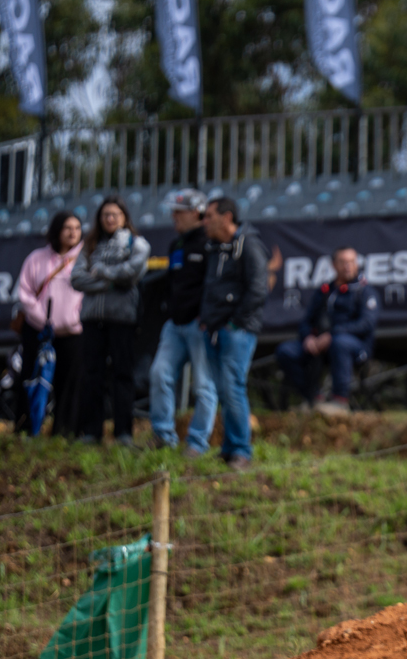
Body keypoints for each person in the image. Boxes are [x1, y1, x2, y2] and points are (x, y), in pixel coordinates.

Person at [69, 196, 151, 446]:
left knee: (122, 375)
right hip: (92, 319)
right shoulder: (90, 244)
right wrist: (112, 283)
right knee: (91, 375)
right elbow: (76, 279)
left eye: (115, 214)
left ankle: (123, 432)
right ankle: (91, 432)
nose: (110, 218)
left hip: (122, 319)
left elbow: (131, 274)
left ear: (124, 217)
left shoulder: (136, 243)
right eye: (105, 214)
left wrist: (102, 272)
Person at [200, 197, 269, 469]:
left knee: (233, 387)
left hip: (237, 331)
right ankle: (229, 448)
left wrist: (235, 323)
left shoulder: (249, 245)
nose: (204, 221)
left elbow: (259, 289)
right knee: (223, 390)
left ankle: (242, 450)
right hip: (214, 329)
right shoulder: (215, 248)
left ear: (227, 217)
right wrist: (207, 320)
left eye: (209, 216)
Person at [148, 189, 217, 456]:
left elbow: (214, 285)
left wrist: (206, 317)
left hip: (199, 326)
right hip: (174, 325)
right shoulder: (176, 245)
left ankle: (198, 443)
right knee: (159, 373)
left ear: (196, 213)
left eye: (179, 211)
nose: (173, 216)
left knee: (203, 385)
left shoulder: (209, 244)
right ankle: (163, 435)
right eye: (173, 211)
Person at [275, 246, 377, 416]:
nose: (348, 266)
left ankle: (340, 402)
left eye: (352, 262)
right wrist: (308, 337)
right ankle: (313, 399)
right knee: (286, 351)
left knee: (340, 343)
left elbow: (366, 324)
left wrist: (332, 334)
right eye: (343, 262)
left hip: (353, 346)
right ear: (333, 265)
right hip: (321, 344)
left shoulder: (365, 291)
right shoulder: (324, 291)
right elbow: (306, 321)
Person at [14, 212, 85, 437]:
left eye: (77, 228)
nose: (73, 232)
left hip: (72, 332)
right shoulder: (36, 258)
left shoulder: (85, 259)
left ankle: (63, 432)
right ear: (57, 230)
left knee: (68, 383)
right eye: (67, 228)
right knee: (30, 377)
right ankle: (25, 428)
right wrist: (42, 319)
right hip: (38, 330)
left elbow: (88, 295)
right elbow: (25, 292)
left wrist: (73, 319)